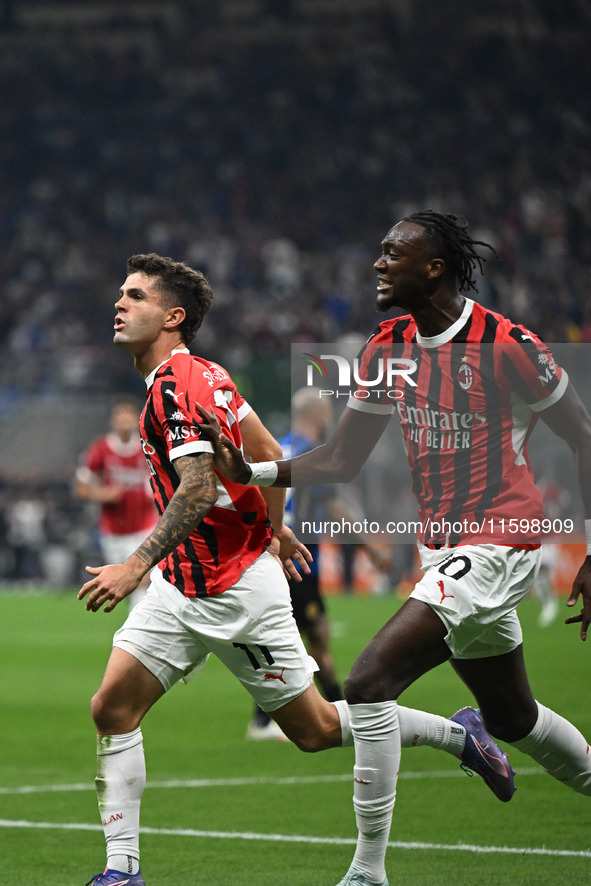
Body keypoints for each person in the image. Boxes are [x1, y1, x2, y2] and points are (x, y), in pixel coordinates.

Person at [79, 251, 514, 886]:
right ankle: (123, 872)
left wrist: (134, 563)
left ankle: (460, 734)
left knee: (313, 729)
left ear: (173, 317)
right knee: (112, 708)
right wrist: (275, 527)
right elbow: (268, 451)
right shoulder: (206, 375)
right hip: (183, 586)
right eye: (121, 293)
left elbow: (198, 489)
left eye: (136, 296)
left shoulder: (179, 387)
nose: (119, 304)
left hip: (233, 591)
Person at [196, 210, 591, 886]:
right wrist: (253, 474)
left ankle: (366, 871)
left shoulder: (506, 345)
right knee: (511, 716)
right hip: (443, 549)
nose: (377, 264)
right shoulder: (386, 350)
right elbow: (344, 456)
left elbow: (582, 437)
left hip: (500, 534)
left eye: (391, 254)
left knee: (369, 679)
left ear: (432, 267)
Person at [247, 387, 389, 741]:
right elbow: (334, 507)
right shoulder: (314, 453)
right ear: (320, 415)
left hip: (270, 553)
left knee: (303, 635)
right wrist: (369, 548)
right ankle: (275, 720)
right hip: (298, 556)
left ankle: (335, 713)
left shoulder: (273, 446)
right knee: (311, 638)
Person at [75, 398, 158, 608]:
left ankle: (138, 629)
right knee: (122, 583)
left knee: (142, 579)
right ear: (113, 421)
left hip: (144, 526)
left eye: (129, 416)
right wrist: (104, 494)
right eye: (120, 417)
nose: (125, 421)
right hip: (113, 530)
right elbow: (81, 488)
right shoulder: (100, 449)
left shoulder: (146, 447)